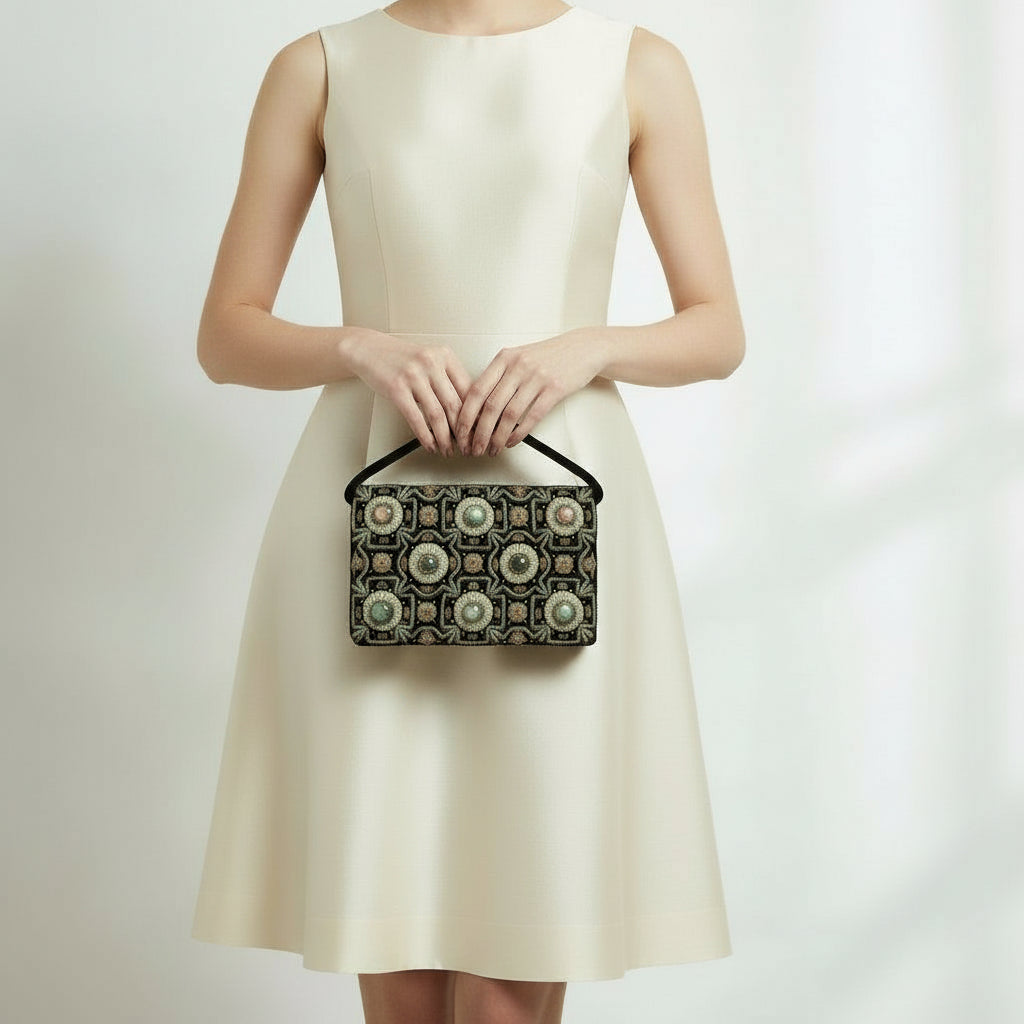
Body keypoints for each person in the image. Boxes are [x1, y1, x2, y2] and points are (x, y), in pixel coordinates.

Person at [190, 2, 746, 1023]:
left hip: (561, 515)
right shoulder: (320, 65)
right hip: (369, 512)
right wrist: (359, 344)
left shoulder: (637, 64)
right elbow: (227, 335)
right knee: (395, 974)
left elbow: (716, 328)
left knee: (508, 981)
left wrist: (586, 345)